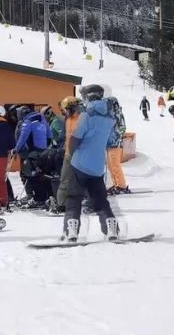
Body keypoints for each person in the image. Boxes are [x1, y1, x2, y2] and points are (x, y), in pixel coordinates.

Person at [63, 84, 118, 242]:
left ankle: (71, 230)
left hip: (80, 164)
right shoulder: (110, 118)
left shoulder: (86, 116)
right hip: (97, 166)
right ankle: (110, 228)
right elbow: (111, 141)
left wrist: (71, 153)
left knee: (74, 197)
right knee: (100, 199)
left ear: (87, 98)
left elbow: (75, 138)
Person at [13, 106, 51, 205]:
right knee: (41, 174)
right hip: (44, 151)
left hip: (32, 152)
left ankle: (34, 196)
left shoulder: (27, 122)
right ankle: (44, 196)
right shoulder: (42, 119)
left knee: (29, 173)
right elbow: (49, 135)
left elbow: (23, 138)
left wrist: (16, 149)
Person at [54, 96, 82, 212]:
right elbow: (65, 136)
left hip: (81, 154)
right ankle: (62, 204)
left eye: (66, 109)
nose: (65, 112)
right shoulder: (67, 119)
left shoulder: (83, 118)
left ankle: (89, 202)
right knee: (65, 179)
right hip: (68, 154)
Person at [105, 96, 129, 194]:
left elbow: (122, 128)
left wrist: (115, 137)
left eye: (109, 104)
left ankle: (121, 185)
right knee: (110, 165)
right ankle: (116, 184)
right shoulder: (108, 115)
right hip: (108, 144)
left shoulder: (118, 114)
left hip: (115, 143)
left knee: (115, 164)